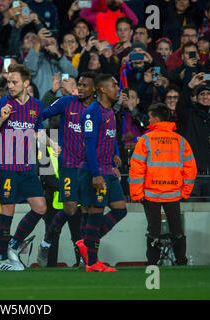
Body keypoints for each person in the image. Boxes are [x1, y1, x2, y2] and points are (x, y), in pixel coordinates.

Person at [0, 63, 60, 271]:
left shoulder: (36, 105)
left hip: (27, 166)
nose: (10, 85)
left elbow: (37, 131)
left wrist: (51, 143)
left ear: (26, 83)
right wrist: (2, 117)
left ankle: (14, 244)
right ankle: (1, 260)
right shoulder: (1, 103)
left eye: (14, 82)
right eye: (8, 81)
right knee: (8, 210)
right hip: (5, 165)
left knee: (41, 207)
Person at [36, 72, 97, 268]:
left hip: (89, 167)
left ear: (94, 89)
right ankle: (46, 243)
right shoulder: (66, 103)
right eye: (79, 85)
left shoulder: (99, 110)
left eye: (85, 85)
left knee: (87, 213)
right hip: (69, 166)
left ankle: (88, 259)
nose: (81, 88)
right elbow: (41, 113)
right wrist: (41, 134)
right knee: (71, 209)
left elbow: (107, 134)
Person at [129, 103, 197, 265]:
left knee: (154, 230)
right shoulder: (181, 141)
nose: (148, 119)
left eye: (150, 116)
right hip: (173, 193)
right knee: (177, 230)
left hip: (150, 194)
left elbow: (137, 169)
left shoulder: (145, 140)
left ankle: (152, 262)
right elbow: (191, 169)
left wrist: (137, 194)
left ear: (156, 118)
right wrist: (185, 191)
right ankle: (181, 261)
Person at [76, 74, 127, 272]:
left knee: (120, 209)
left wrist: (115, 154)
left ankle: (86, 244)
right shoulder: (92, 113)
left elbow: (110, 136)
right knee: (95, 213)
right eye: (114, 85)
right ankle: (92, 262)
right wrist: (96, 174)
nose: (118, 89)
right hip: (94, 170)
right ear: (103, 89)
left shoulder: (110, 112)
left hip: (108, 168)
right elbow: (89, 145)